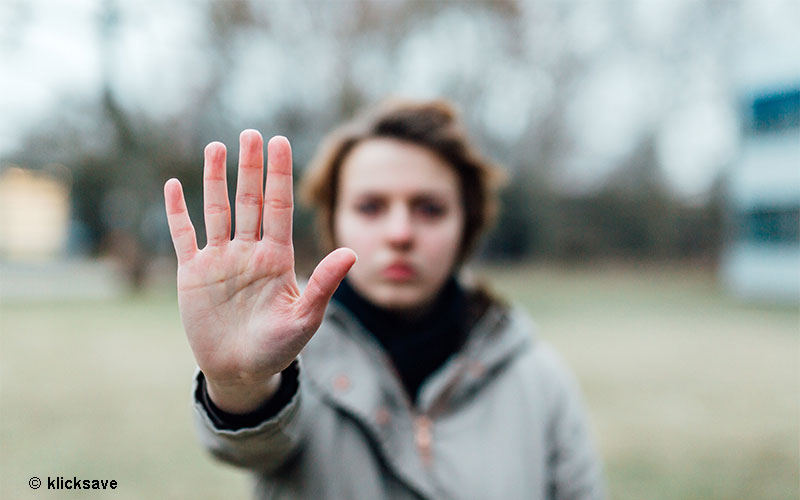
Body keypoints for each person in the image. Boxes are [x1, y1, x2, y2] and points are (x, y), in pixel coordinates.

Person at [164, 99, 605, 500]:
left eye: (429, 208)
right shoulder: (293, 359)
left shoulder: (540, 382)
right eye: (371, 207)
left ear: (466, 226)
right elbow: (250, 446)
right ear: (334, 221)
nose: (400, 233)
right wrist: (240, 384)